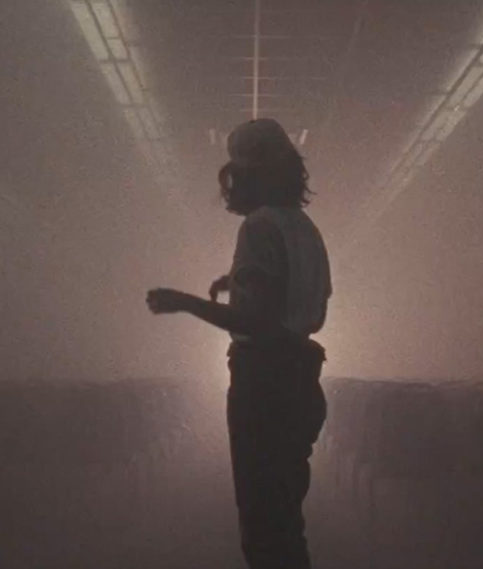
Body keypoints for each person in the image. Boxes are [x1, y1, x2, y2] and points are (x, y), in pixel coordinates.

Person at [146, 117, 332, 569]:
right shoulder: (305, 227)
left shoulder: (258, 227)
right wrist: (236, 281)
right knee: (286, 520)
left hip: (264, 384)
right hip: (303, 379)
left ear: (244, 175)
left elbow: (257, 321)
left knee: (263, 528)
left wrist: (183, 302)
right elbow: (300, 297)